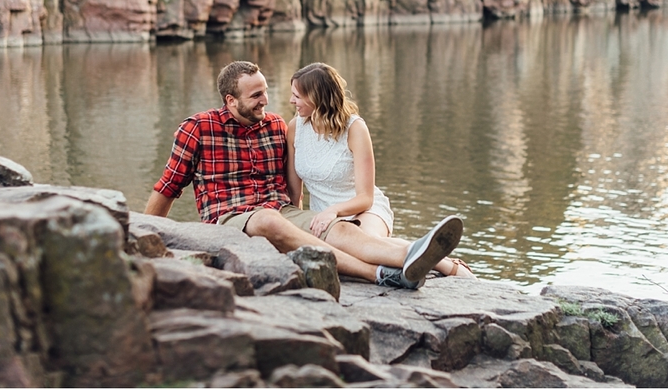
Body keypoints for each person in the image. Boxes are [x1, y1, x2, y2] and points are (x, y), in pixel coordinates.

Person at [144, 60, 463, 290]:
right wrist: (144, 239)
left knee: (341, 230)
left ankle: (419, 255)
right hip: (229, 216)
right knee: (269, 221)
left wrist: (318, 220)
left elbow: (290, 189)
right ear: (231, 100)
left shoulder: (275, 127)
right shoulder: (198, 128)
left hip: (280, 211)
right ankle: (375, 274)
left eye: (265, 91)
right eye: (256, 95)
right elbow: (167, 187)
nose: (265, 101)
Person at [287, 62, 475, 278]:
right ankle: (417, 259)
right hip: (328, 221)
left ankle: (444, 264)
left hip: (365, 209)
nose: (292, 101)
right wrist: (296, 227)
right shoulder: (295, 128)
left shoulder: (355, 129)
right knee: (352, 252)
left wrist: (334, 210)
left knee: (367, 246)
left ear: (317, 98)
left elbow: (365, 198)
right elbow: (295, 193)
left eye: (297, 96)